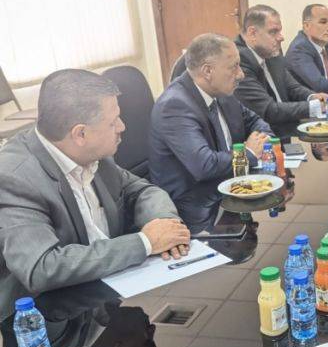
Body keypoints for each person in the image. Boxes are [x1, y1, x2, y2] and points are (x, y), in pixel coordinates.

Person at [0, 70, 190, 320]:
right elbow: (42, 267)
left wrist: (164, 224)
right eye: (113, 122)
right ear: (80, 134)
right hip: (48, 317)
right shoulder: (14, 177)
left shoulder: (92, 153)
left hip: (106, 294)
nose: (122, 127)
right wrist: (145, 242)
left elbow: (142, 190)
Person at [150, 33, 273, 221]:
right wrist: (248, 153)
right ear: (208, 71)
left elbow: (256, 122)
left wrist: (260, 141)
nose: (241, 74)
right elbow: (204, 165)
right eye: (234, 67)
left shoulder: (220, 91)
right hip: (192, 211)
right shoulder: (174, 106)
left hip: (227, 192)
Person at [234, 4, 328, 136]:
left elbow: (292, 87)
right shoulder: (238, 60)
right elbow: (268, 110)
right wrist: (319, 106)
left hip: (287, 128)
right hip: (265, 136)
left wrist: (315, 97)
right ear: (252, 33)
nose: (281, 37)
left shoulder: (270, 51)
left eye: (280, 31)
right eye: (273, 32)